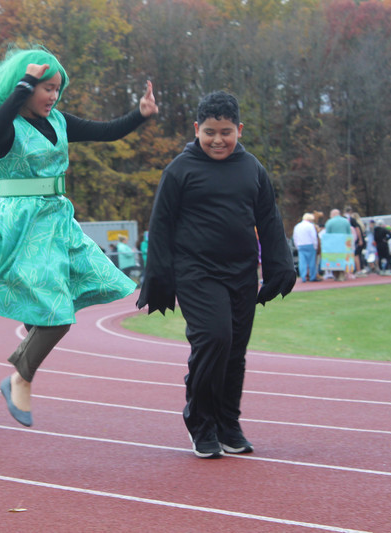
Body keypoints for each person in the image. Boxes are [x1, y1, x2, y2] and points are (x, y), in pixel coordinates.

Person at [0, 46, 158, 427]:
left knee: (95, 283)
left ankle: (27, 352)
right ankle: (19, 378)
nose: (53, 96)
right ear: (24, 89)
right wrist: (25, 82)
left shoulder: (58, 121)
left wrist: (139, 115)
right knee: (56, 317)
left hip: (58, 221)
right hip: (24, 226)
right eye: (46, 89)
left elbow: (106, 132)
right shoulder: (6, 128)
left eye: (58, 89)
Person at [137, 90, 295, 458]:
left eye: (226, 132)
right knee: (214, 338)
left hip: (241, 272)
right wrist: (158, 278)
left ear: (239, 129)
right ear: (196, 129)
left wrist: (279, 266)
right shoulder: (179, 170)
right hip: (196, 272)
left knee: (235, 351)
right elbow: (160, 225)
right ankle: (200, 422)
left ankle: (228, 423)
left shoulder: (252, 168)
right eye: (209, 132)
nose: (218, 139)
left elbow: (269, 220)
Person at [321, 208, 353, 281]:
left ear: (333, 214)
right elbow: (349, 234)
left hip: (333, 245)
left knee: (334, 260)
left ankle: (336, 275)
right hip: (344, 245)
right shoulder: (346, 221)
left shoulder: (329, 222)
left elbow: (327, 235)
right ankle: (342, 274)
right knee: (343, 259)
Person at [292, 213, 319, 282]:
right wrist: (315, 246)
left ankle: (303, 277)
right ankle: (312, 277)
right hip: (310, 245)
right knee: (312, 262)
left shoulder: (297, 226)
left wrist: (297, 245)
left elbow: (295, 237)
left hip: (300, 245)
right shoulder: (310, 226)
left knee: (302, 262)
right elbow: (313, 237)